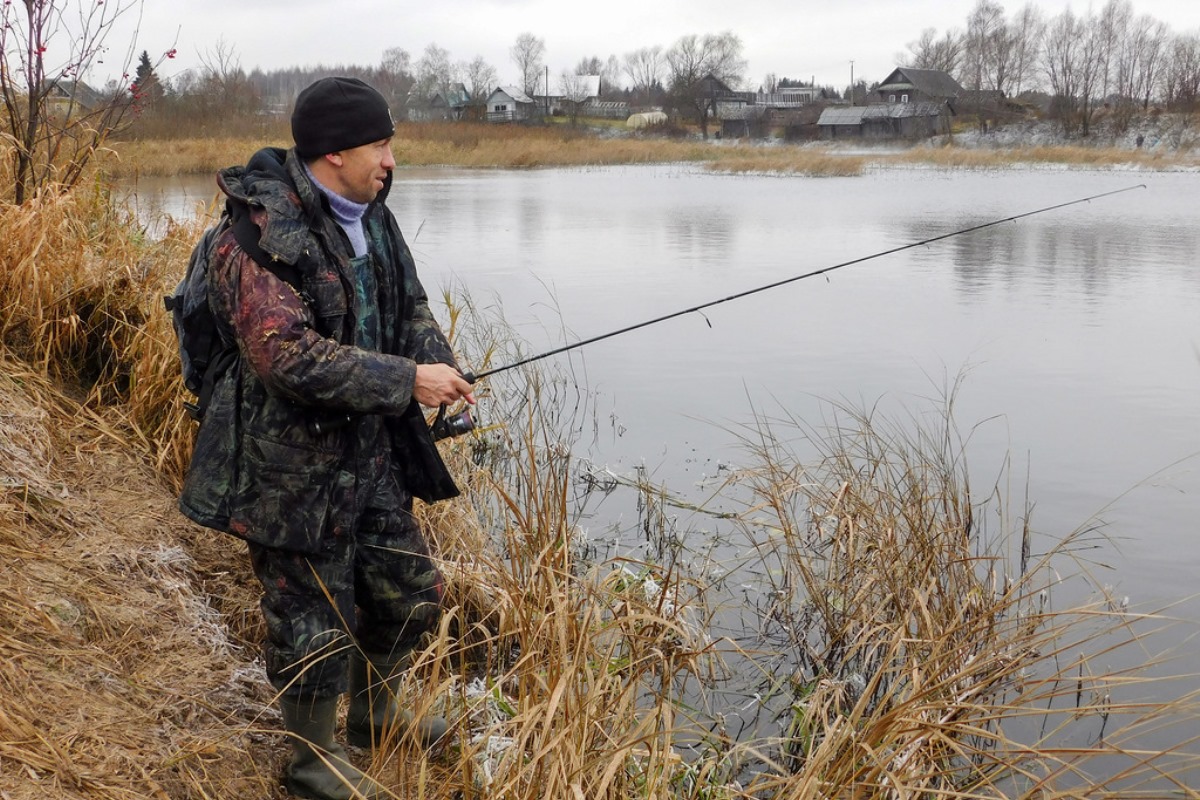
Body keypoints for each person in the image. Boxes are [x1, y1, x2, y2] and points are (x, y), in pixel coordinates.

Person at [177, 76, 475, 800]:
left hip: (366, 453)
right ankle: (312, 763)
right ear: (335, 152)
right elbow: (285, 357)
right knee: (310, 620)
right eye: (381, 144)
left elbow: (410, 307)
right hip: (283, 467)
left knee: (408, 592)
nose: (391, 160)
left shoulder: (374, 216)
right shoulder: (255, 234)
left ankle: (376, 715)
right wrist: (408, 381)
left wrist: (441, 366)